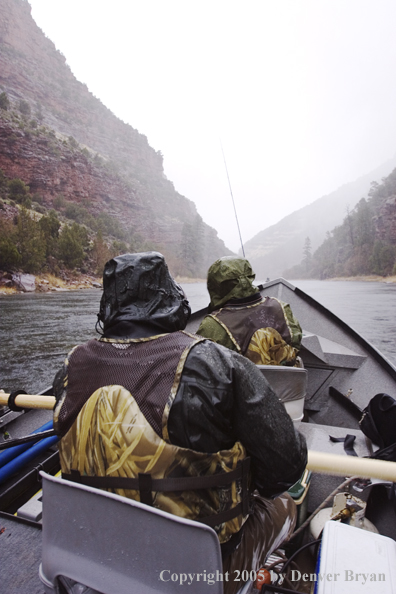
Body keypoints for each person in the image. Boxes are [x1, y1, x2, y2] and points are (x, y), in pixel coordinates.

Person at [53, 252, 307, 594]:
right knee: (286, 503)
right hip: (196, 575)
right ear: (171, 295)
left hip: (97, 556)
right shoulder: (218, 364)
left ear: (108, 303)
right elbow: (286, 467)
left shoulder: (69, 369)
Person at [197, 256, 302, 366]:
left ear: (215, 286)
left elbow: (205, 367)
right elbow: (296, 344)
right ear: (249, 276)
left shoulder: (212, 325)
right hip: (289, 382)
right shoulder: (282, 307)